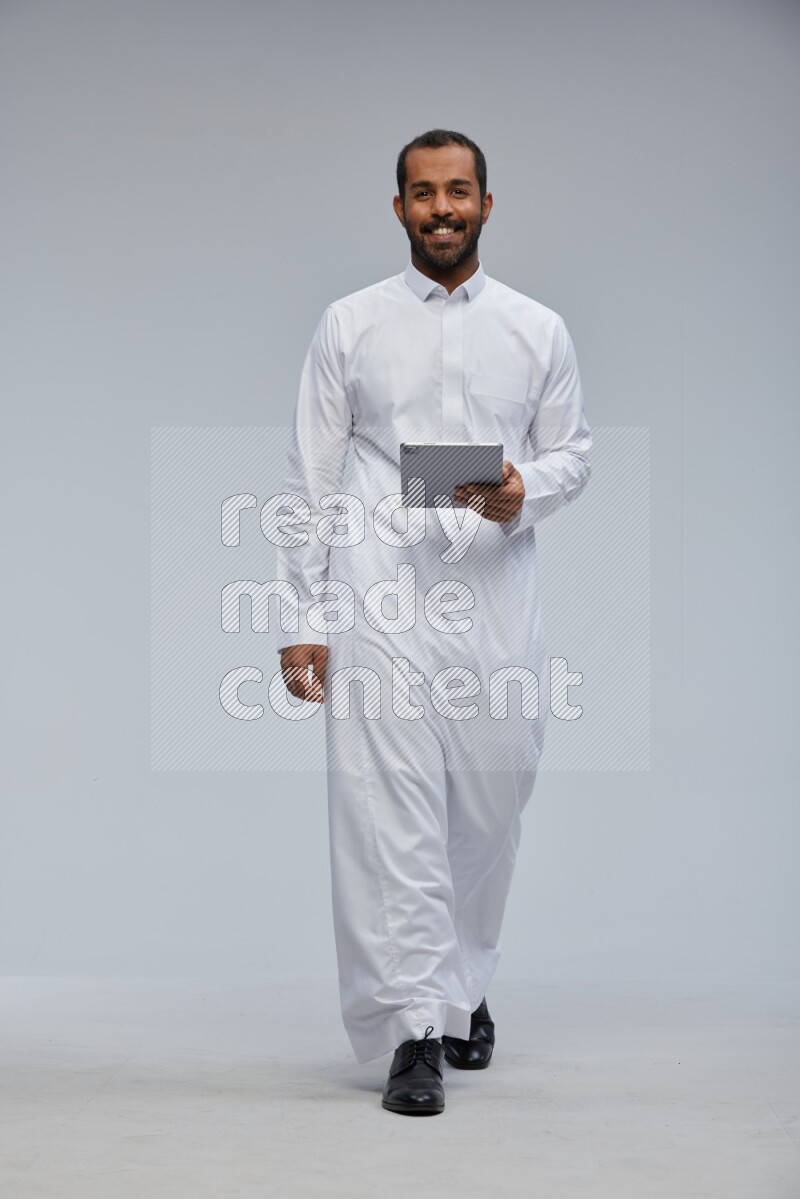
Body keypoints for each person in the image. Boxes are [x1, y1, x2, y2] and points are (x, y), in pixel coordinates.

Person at [276, 129, 591, 1115]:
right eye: (422, 193)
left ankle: (463, 981)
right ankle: (413, 1025)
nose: (441, 208)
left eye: (458, 192)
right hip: (380, 589)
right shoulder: (350, 324)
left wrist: (522, 489)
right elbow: (310, 477)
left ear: (486, 205)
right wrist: (302, 616)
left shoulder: (537, 329)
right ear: (399, 207)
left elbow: (573, 452)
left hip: (495, 596)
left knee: (489, 811)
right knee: (388, 811)